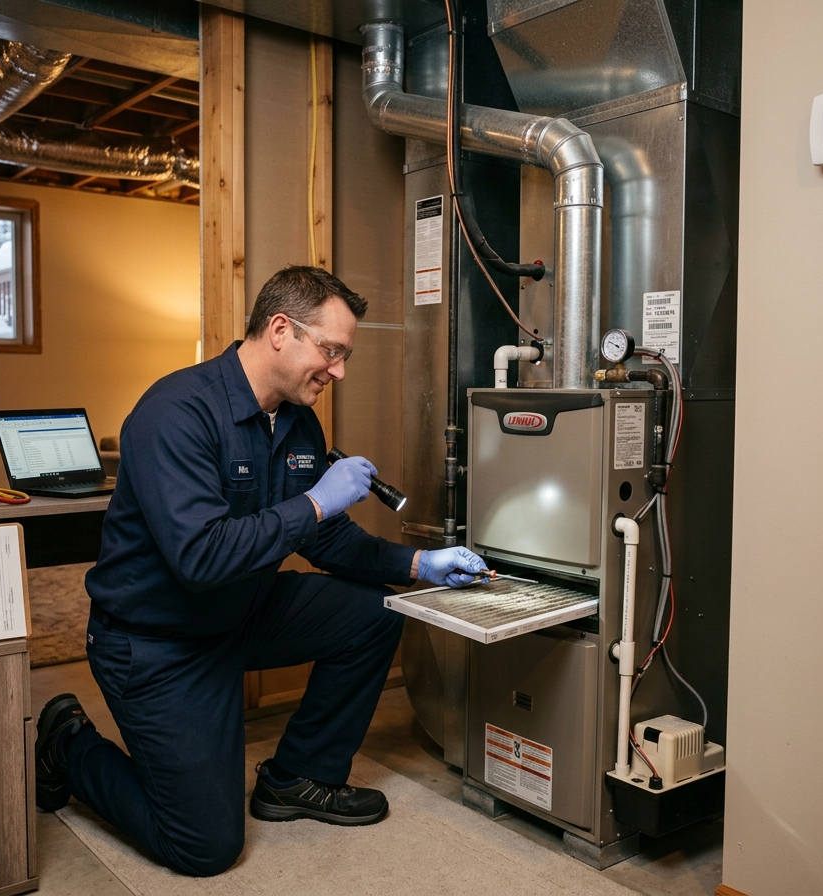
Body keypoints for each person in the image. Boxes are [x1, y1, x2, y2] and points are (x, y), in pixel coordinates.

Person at [34, 265, 486, 877]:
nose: (339, 371)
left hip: (240, 612)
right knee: (204, 847)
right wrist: (316, 500)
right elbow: (200, 558)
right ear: (280, 330)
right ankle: (67, 742)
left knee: (376, 613)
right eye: (331, 351)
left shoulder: (298, 420)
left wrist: (417, 563)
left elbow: (323, 538)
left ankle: (298, 778)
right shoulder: (175, 412)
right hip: (155, 640)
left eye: (344, 355)